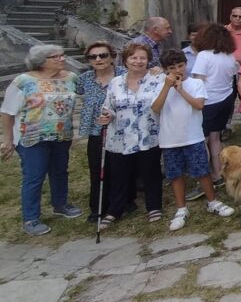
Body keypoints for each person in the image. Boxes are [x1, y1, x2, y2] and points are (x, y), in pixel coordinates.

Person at [1, 45, 82, 236]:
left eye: (63, 55)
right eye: (56, 56)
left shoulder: (71, 78)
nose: (62, 59)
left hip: (62, 134)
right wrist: (8, 139)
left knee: (60, 171)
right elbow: (7, 111)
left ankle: (60, 204)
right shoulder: (24, 81)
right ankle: (31, 218)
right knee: (34, 176)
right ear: (42, 61)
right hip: (31, 136)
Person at [151, 48, 234, 231]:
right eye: (172, 67)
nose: (178, 70)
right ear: (165, 69)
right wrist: (167, 86)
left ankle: (212, 201)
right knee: (175, 175)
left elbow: (199, 105)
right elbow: (156, 108)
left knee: (202, 171)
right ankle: (181, 209)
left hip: (193, 136)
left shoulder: (196, 83)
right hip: (170, 138)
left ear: (186, 64)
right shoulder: (158, 84)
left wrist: (181, 90)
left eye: (181, 65)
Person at [97, 43, 164, 228]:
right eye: (133, 57)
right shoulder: (116, 82)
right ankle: (114, 210)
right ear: (125, 60)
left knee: (151, 172)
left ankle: (154, 206)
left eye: (142, 57)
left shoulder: (157, 79)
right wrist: (106, 116)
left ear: (148, 60)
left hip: (148, 134)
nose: (138, 61)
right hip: (120, 135)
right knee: (119, 174)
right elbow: (108, 106)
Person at [75, 41, 125, 223]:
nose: (98, 59)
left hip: (120, 128)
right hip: (97, 130)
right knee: (97, 169)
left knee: (119, 169)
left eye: (103, 55)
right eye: (93, 56)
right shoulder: (84, 79)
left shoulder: (123, 75)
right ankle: (97, 207)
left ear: (112, 57)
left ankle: (119, 205)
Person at [191, 24, 238, 183]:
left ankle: (203, 174)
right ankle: (219, 173)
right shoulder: (229, 57)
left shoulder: (204, 55)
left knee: (202, 139)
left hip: (207, 102)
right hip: (225, 100)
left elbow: (199, 81)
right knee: (216, 138)